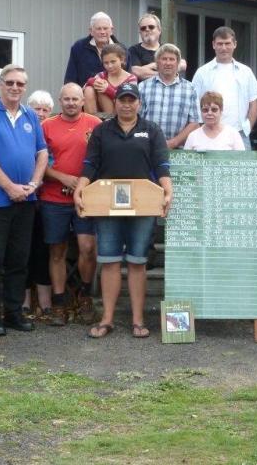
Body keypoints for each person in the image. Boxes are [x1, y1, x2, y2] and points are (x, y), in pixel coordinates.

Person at [73, 82, 172, 339]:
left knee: (138, 262)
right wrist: (80, 189)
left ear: (139, 103)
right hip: (107, 204)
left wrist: (167, 191)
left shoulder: (152, 130)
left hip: (143, 204)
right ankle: (107, 319)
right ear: (115, 102)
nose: (127, 105)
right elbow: (90, 164)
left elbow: (162, 165)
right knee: (109, 261)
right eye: (122, 100)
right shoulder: (101, 130)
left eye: (131, 100)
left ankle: (138, 321)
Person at [0, 64, 48, 336]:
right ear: (1, 84)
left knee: (18, 261)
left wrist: (34, 184)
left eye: (20, 83)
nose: (15, 87)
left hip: (25, 202)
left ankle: (14, 314)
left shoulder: (31, 116)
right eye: (10, 82)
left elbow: (42, 153)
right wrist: (9, 187)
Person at [41, 83, 101, 326]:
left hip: (86, 198)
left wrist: (86, 184)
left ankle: (85, 297)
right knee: (57, 251)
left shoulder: (95, 125)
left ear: (83, 101)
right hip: (54, 198)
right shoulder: (46, 126)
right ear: (60, 101)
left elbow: (103, 159)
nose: (71, 103)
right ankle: (59, 302)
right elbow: (37, 163)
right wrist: (62, 177)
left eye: (75, 99)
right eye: (66, 99)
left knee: (88, 248)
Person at [192, 26, 257, 150]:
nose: (224, 48)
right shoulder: (202, 72)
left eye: (227, 43)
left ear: (235, 44)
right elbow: (194, 103)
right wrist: (202, 129)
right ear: (213, 45)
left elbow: (254, 101)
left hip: (240, 133)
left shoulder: (246, 72)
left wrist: (248, 127)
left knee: (242, 164)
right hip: (209, 133)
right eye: (220, 44)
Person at [24, 89, 56, 318]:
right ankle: (24, 298)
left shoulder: (51, 132)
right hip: (23, 197)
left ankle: (45, 300)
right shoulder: (22, 129)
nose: (41, 113)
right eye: (37, 109)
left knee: (43, 249)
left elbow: (53, 162)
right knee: (22, 248)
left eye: (45, 110)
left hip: (47, 198)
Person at [138, 43, 199, 148]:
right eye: (164, 59)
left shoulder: (190, 89)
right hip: (147, 147)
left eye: (172, 59)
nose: (168, 63)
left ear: (178, 63)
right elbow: (136, 119)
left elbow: (194, 123)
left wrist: (173, 142)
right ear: (157, 62)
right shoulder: (143, 87)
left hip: (178, 150)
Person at [64, 12, 122, 87]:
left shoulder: (122, 50)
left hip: (114, 92)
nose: (102, 32)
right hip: (86, 91)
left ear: (111, 30)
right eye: (98, 29)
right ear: (91, 31)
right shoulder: (79, 48)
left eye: (105, 28)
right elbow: (70, 79)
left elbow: (127, 78)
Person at [128, 13, 187, 81]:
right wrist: (166, 72)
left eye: (151, 27)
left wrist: (151, 66)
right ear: (140, 32)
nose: (147, 30)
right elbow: (138, 72)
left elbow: (183, 64)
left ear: (159, 30)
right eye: (143, 28)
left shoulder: (167, 49)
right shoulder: (133, 50)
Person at [83, 44, 137, 115]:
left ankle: (110, 119)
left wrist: (108, 90)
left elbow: (128, 99)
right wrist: (93, 82)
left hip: (121, 113)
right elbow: (84, 87)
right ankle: (91, 119)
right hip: (100, 112)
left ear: (122, 60)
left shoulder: (131, 78)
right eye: (106, 63)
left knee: (103, 88)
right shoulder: (102, 75)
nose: (110, 66)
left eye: (113, 62)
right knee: (89, 89)